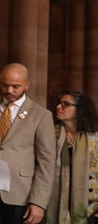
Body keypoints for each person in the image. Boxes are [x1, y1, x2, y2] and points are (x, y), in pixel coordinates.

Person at [0, 63, 56, 224]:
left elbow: (46, 162)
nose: (9, 90)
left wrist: (38, 202)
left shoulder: (41, 115)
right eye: (4, 85)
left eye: (15, 86)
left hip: (21, 193)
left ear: (27, 85)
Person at [47, 91, 98, 223]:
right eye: (59, 103)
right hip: (53, 204)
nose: (59, 107)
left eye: (66, 104)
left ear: (80, 110)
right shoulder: (49, 134)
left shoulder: (94, 138)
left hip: (91, 208)